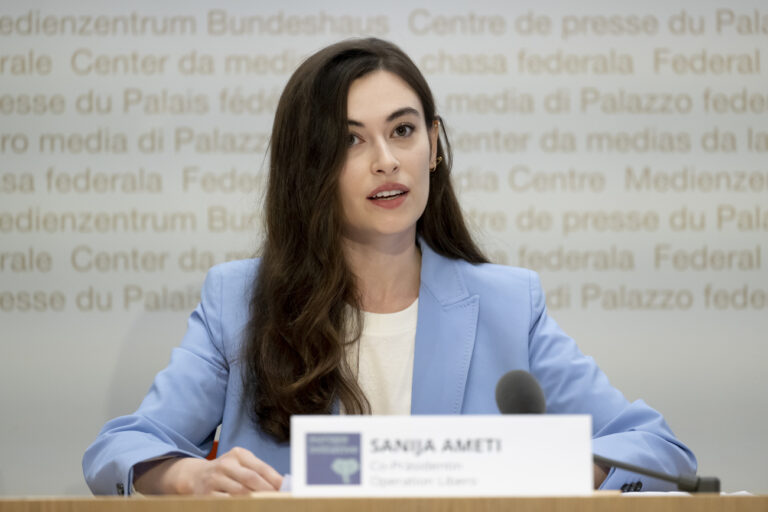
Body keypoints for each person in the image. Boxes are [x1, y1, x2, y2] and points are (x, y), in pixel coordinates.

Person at [83, 38, 696, 496]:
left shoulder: (508, 305)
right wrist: (188, 476)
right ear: (309, 167)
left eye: (402, 131)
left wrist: (562, 467)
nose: (386, 161)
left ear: (433, 146)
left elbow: (659, 452)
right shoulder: (238, 301)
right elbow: (120, 448)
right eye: (351, 140)